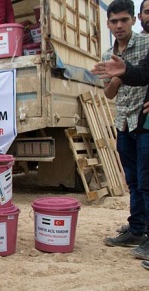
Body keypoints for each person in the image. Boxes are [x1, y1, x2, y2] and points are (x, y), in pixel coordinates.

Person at [91, 1, 149, 262]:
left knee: (146, 182)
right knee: (134, 182)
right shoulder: (108, 54)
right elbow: (109, 93)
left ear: (133, 20)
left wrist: (127, 72)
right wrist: (117, 77)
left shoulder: (146, 44)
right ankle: (137, 231)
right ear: (108, 24)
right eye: (114, 21)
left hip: (145, 122)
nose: (119, 26)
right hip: (123, 123)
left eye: (124, 20)